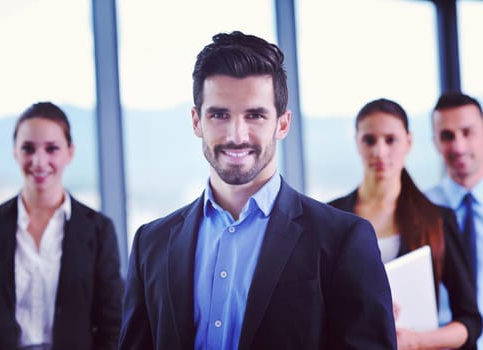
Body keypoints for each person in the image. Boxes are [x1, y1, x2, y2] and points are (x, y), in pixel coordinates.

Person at [119, 31, 396, 349]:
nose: (237, 135)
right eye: (220, 115)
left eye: (255, 115)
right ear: (197, 121)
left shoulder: (343, 239)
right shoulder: (150, 243)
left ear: (282, 123)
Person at [0, 102, 124, 349]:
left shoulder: (98, 230)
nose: (39, 161)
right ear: (15, 152)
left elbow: (112, 322)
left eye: (51, 149)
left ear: (70, 152)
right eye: (28, 148)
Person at [329, 98, 481, 349]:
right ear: (357, 142)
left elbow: (470, 321)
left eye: (391, 140)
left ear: (408, 142)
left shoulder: (436, 219)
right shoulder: (330, 217)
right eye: (369, 140)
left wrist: (417, 342)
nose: (380, 151)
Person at [425, 91, 483, 349]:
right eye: (447, 136)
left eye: (467, 132)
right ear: (435, 142)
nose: (458, 147)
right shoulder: (421, 211)